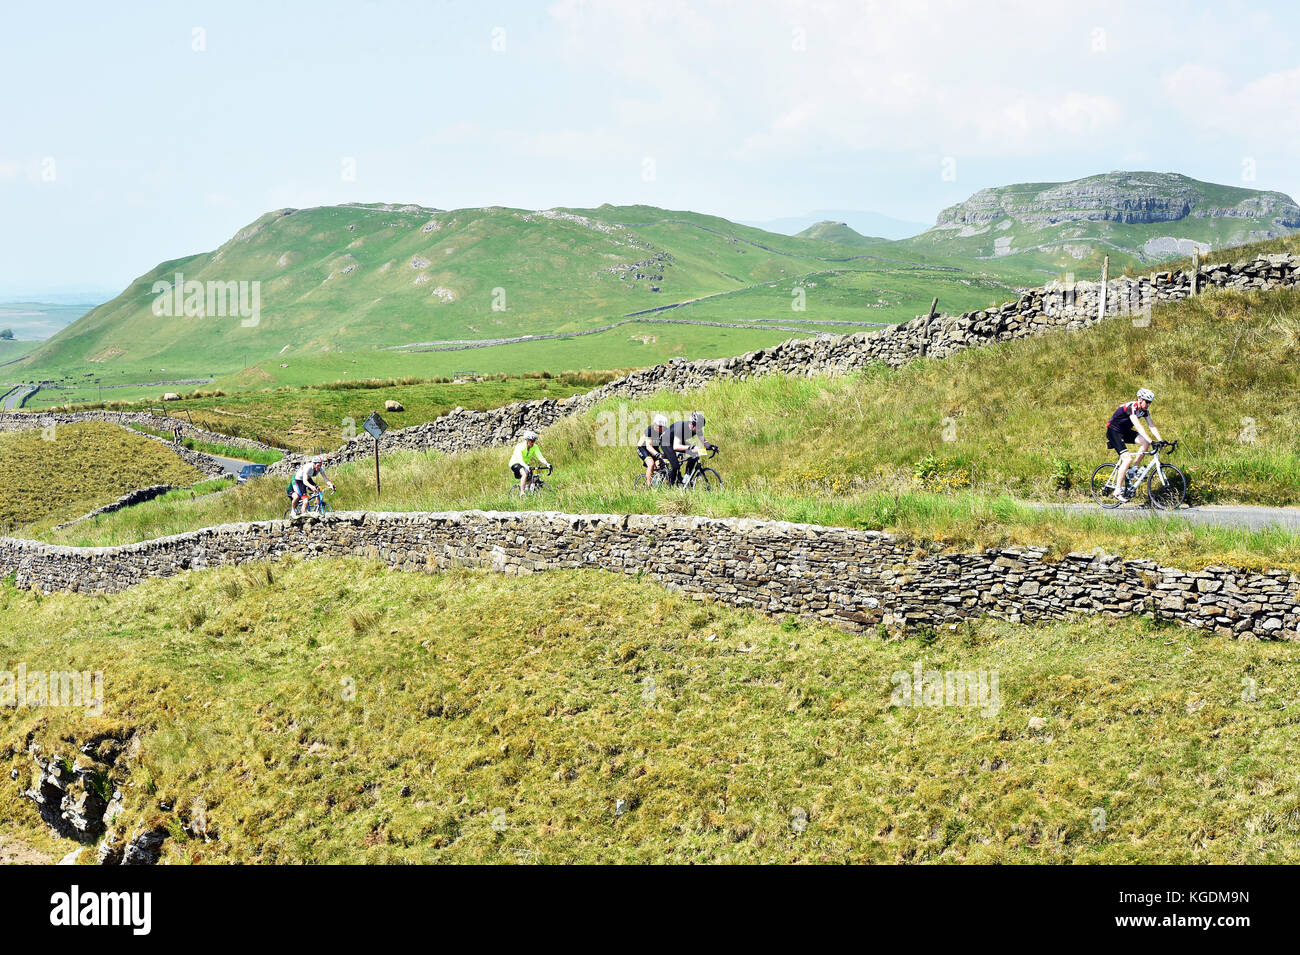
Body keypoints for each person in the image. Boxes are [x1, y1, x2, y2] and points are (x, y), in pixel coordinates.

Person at [1105, 388, 1163, 502]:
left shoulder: (1144, 411)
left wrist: (1161, 440)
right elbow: (1138, 426)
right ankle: (1117, 491)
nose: (1148, 404)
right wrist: (1152, 441)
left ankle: (1134, 469)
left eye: (1150, 402)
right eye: (1146, 401)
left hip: (1125, 431)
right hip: (1114, 431)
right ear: (1140, 399)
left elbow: (1151, 425)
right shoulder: (1131, 407)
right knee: (1127, 459)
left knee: (1144, 442)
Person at [665, 411, 718, 486]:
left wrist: (711, 447)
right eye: (698, 426)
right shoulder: (681, 427)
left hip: (679, 441)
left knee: (695, 453)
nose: (700, 429)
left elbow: (704, 442)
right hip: (667, 442)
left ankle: (686, 478)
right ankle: (670, 486)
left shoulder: (697, 428)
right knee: (675, 466)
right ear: (691, 424)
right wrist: (691, 447)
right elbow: (676, 446)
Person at [509, 429, 550, 493]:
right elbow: (520, 460)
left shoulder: (535, 447)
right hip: (515, 463)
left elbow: (540, 457)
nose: (533, 443)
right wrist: (526, 466)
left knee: (532, 476)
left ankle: (529, 490)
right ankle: (522, 493)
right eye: (531, 441)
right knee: (524, 474)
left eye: (534, 441)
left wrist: (547, 464)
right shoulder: (519, 446)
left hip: (525, 463)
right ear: (527, 440)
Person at [637, 414, 669, 486]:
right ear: (655, 424)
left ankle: (661, 484)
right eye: (659, 427)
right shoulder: (650, 430)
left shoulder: (665, 431)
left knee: (662, 465)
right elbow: (648, 446)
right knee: (651, 464)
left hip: (654, 448)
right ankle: (649, 487)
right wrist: (658, 454)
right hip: (643, 448)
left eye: (662, 427)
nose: (661, 429)